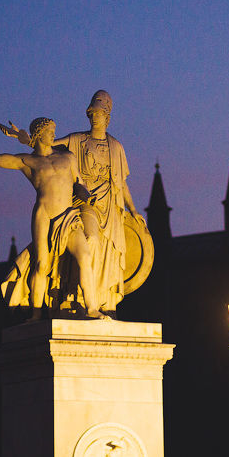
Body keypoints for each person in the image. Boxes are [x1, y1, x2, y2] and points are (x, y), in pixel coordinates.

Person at [0, 114, 104, 319]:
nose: (54, 134)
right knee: (41, 265)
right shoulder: (27, 161)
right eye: (50, 131)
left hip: (68, 217)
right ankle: (36, 314)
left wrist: (87, 196)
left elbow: (79, 184)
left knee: (85, 256)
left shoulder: (67, 157)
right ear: (39, 134)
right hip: (44, 215)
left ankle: (92, 308)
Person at [52, 90, 144, 315]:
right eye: (92, 113)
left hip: (110, 206)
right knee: (90, 240)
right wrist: (21, 136)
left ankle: (105, 300)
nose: (94, 117)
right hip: (86, 202)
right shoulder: (76, 140)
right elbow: (47, 146)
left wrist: (133, 209)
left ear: (107, 117)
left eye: (99, 113)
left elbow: (122, 184)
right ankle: (79, 296)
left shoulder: (116, 147)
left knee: (109, 252)